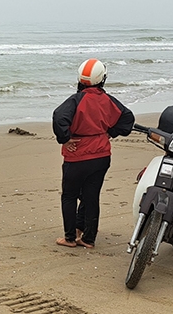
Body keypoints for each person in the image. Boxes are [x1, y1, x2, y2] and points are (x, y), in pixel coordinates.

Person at [52, 59, 134, 248]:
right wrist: (110, 132)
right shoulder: (107, 99)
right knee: (91, 195)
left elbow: (59, 117)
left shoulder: (76, 100)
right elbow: (127, 118)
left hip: (78, 155)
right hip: (101, 155)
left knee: (69, 196)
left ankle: (70, 237)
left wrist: (64, 138)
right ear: (102, 79)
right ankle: (88, 238)